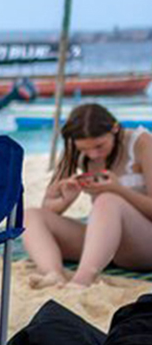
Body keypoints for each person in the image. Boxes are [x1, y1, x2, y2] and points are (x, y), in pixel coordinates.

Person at [24, 103, 152, 288]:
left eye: (99, 146)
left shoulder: (141, 142)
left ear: (115, 129)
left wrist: (119, 190)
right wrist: (64, 200)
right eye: (85, 149)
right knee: (31, 215)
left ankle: (81, 281)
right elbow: (48, 213)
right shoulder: (76, 150)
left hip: (143, 244)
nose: (93, 154)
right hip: (103, 245)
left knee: (107, 200)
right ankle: (53, 274)